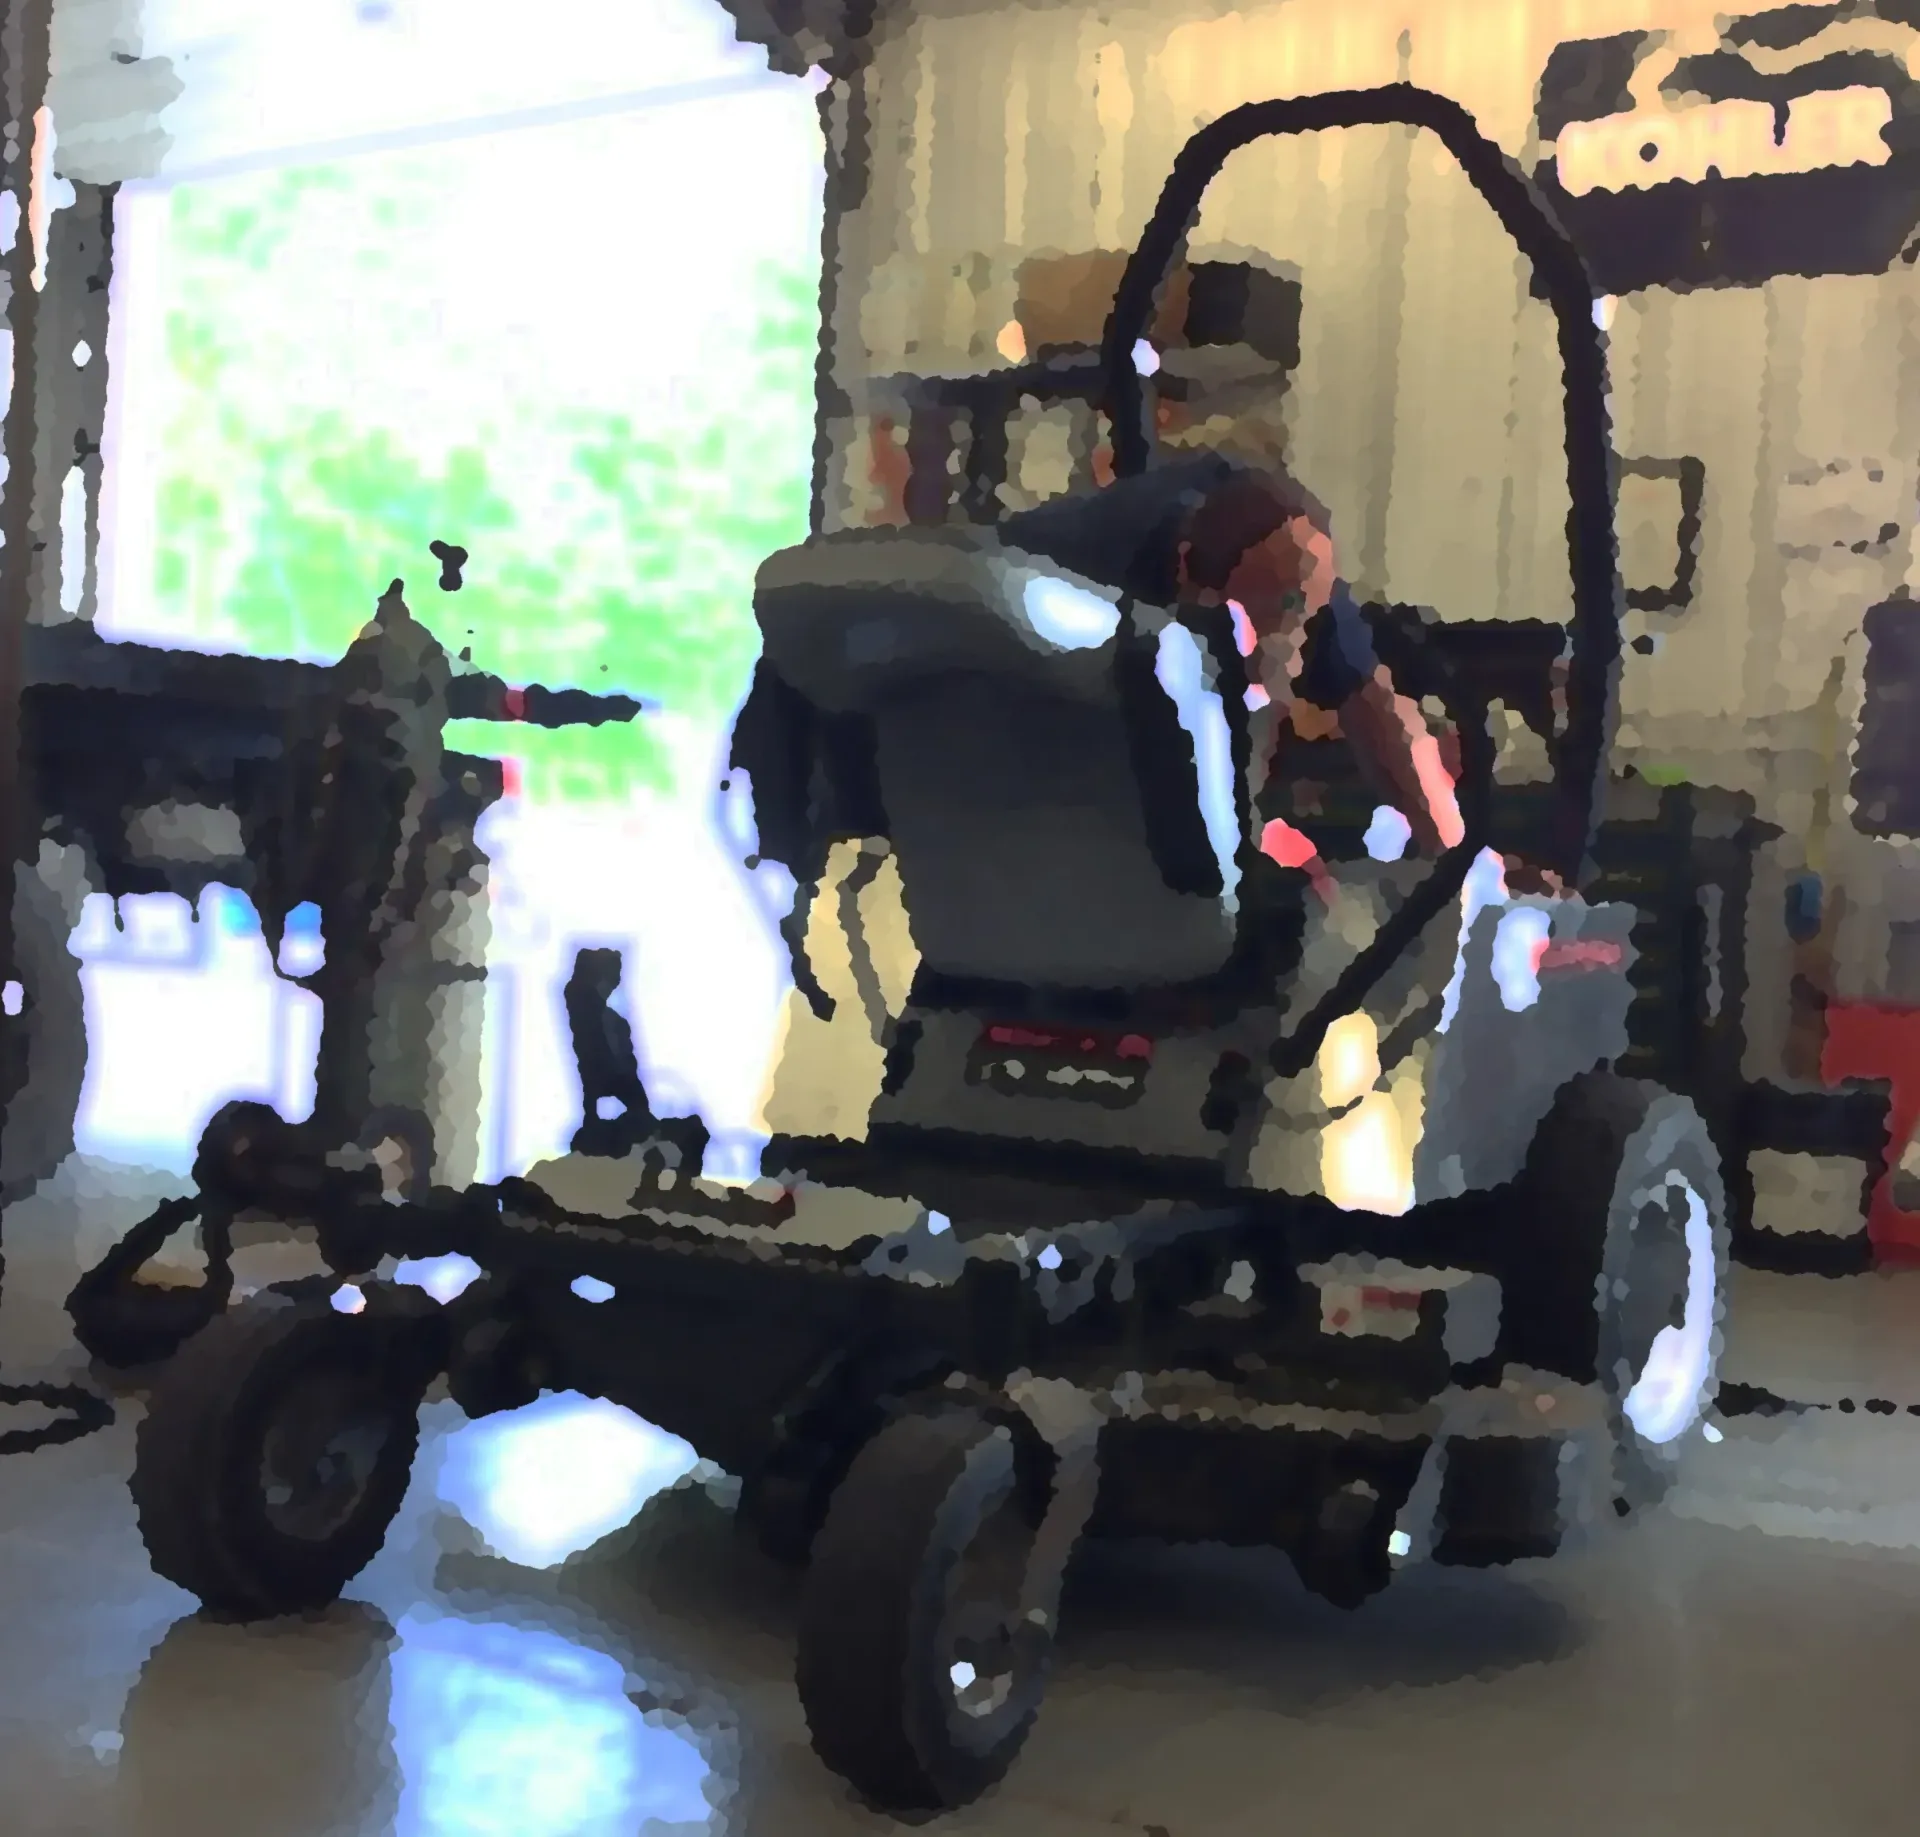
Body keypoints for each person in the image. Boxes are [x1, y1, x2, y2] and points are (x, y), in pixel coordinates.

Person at [997, 452, 1468, 859]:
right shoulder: (1064, 571)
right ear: (1188, 575)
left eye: (1305, 618)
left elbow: (1378, 707)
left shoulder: (1297, 570)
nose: (1294, 649)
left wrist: (1459, 861)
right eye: (1273, 616)